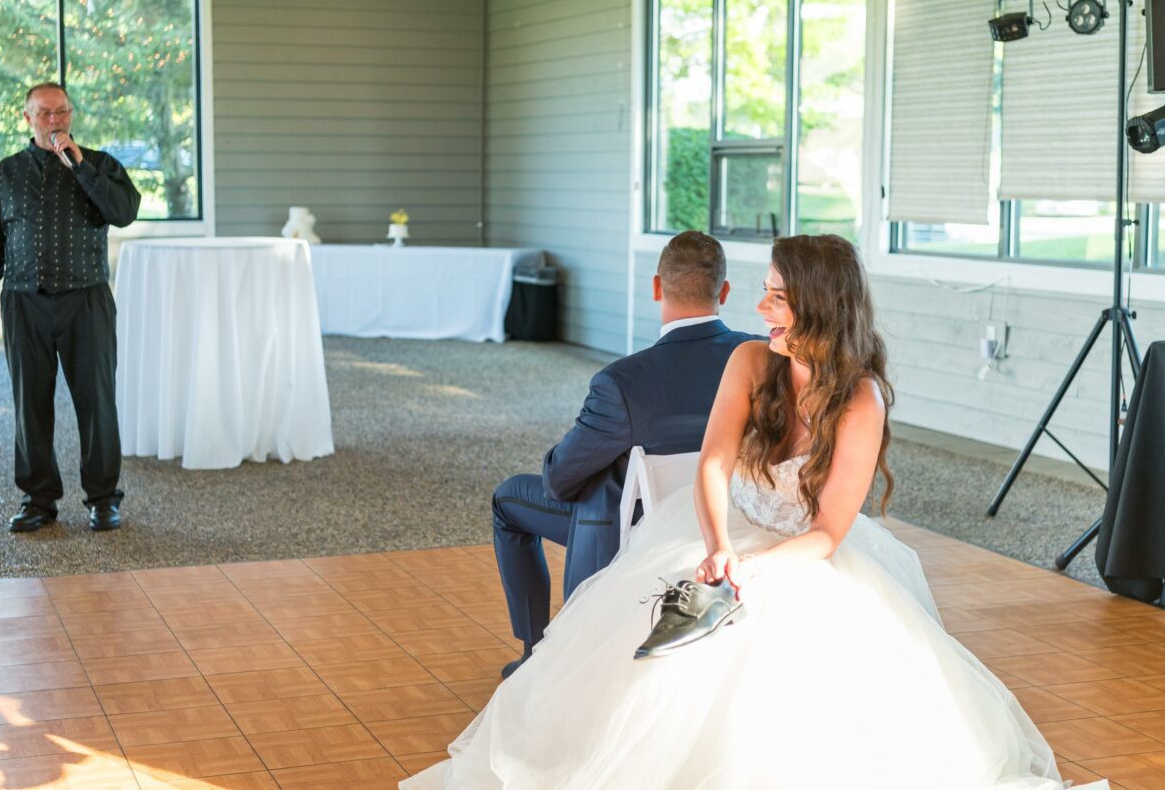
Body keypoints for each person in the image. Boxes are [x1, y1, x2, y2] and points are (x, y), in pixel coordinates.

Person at [404, 235, 1107, 790]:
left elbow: (829, 530)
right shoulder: (747, 360)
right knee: (653, 658)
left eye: (779, 297)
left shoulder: (860, 399)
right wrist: (716, 545)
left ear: (821, 307)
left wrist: (752, 568)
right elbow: (712, 462)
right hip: (714, 523)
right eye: (766, 294)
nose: (765, 309)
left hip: (804, 552)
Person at [492, 231, 755, 677]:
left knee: (509, 499)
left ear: (657, 288)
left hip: (634, 529)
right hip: (735, 523)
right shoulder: (759, 359)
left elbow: (560, 481)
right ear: (724, 292)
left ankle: (537, 655)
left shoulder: (622, 383)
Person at [0, 82, 141, 533]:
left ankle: (103, 498)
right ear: (27, 119)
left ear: (71, 115)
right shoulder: (5, 174)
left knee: (96, 400)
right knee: (31, 405)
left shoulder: (99, 164)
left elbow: (124, 211)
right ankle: (38, 499)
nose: (55, 121)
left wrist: (80, 167)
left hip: (87, 301)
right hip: (25, 303)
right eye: (44, 114)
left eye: (61, 112)